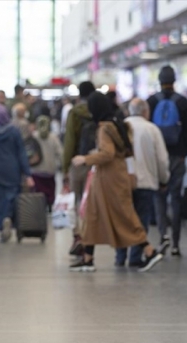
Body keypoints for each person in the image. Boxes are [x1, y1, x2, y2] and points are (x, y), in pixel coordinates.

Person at [69, 92, 166, 273]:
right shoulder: (119, 125)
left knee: (123, 217)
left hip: (108, 179)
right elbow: (126, 152)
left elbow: (107, 153)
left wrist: (86, 158)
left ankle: (150, 251)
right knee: (94, 215)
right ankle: (88, 258)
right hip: (117, 176)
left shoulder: (104, 128)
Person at [147, 66, 187, 257]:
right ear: (174, 80)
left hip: (157, 156)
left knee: (159, 197)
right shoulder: (183, 102)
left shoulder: (151, 101)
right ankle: (176, 243)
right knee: (175, 198)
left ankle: (162, 237)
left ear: (159, 81)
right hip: (178, 156)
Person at [115, 98, 170, 268]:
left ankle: (120, 257)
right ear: (146, 112)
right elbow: (162, 159)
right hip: (146, 183)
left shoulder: (120, 127)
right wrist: (164, 179)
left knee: (123, 220)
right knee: (141, 220)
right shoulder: (151, 129)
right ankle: (135, 258)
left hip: (123, 183)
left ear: (129, 111)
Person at [0, 105, 34, 243]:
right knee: (12, 197)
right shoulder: (14, 131)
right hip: (13, 168)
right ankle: (8, 217)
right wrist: (27, 174)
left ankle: (0, 224)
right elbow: (21, 153)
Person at [62, 81, 96, 257]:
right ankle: (89, 240)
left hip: (77, 163)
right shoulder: (98, 110)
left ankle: (78, 237)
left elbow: (69, 142)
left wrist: (65, 168)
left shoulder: (74, 113)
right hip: (95, 163)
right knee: (90, 204)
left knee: (75, 203)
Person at [30, 115, 63, 209]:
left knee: (38, 191)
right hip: (50, 170)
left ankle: (39, 208)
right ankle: (49, 205)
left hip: (36, 170)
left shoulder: (33, 136)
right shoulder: (53, 138)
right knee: (50, 189)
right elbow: (60, 153)